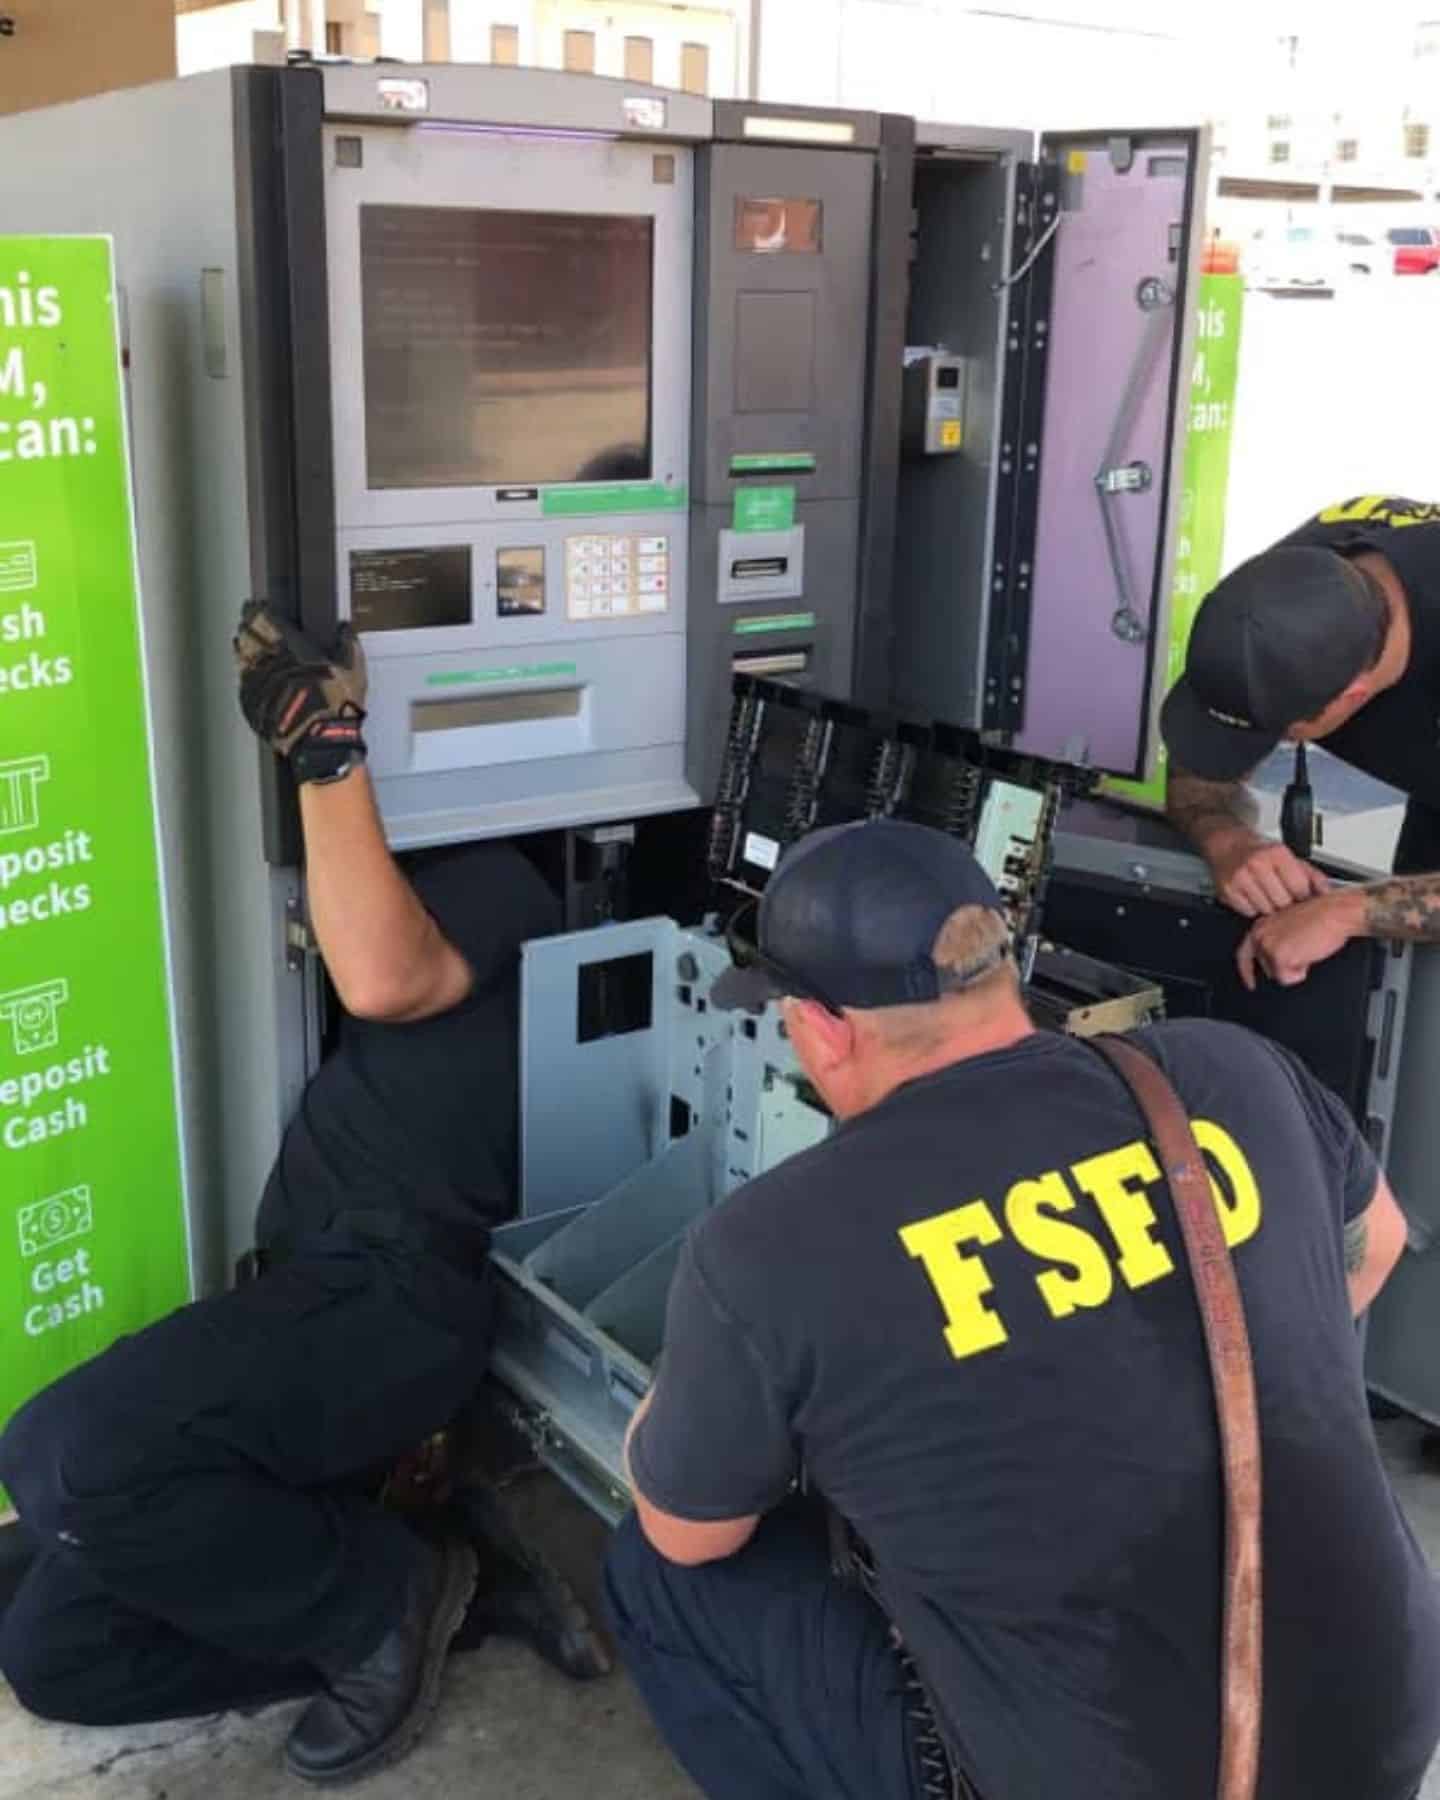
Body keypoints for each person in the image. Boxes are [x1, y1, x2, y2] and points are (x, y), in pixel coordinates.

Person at [603, 817, 1440, 1800]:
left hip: (1113, 1777)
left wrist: (675, 1407)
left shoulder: (769, 1244)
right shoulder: (1229, 1069)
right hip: (1380, 1732)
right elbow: (1375, 1242)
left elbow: (686, 1532)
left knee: (653, 1580)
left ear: (819, 1028)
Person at [0, 603, 597, 1784]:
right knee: (54, 1650)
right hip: (314, 1293)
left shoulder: (506, 881)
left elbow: (385, 974)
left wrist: (322, 737)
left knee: (61, 1456)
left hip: (395, 1294)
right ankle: (426, 1588)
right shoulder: (348, 891)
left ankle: (379, 1597)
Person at [1160, 495, 1440, 988]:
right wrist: (1221, 834)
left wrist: (1347, 912)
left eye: (1275, 731)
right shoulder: (1287, 588)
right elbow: (1203, 755)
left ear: (1353, 697)